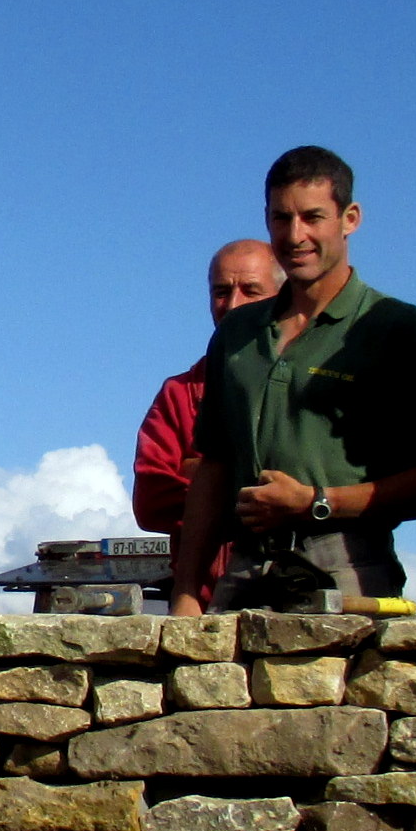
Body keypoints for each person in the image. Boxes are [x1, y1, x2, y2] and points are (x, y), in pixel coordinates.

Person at [169, 147, 416, 613]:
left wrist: (316, 502)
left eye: (312, 217)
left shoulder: (399, 330)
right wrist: (187, 592)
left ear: (350, 219)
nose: (295, 235)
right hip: (244, 568)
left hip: (349, 567)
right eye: (281, 218)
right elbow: (214, 466)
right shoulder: (237, 334)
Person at [131, 240, 286, 587]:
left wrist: (200, 473)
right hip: (204, 598)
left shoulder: (310, 383)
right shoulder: (179, 393)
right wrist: (261, 493)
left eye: (250, 290)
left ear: (284, 295)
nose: (233, 304)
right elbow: (151, 502)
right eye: (221, 292)